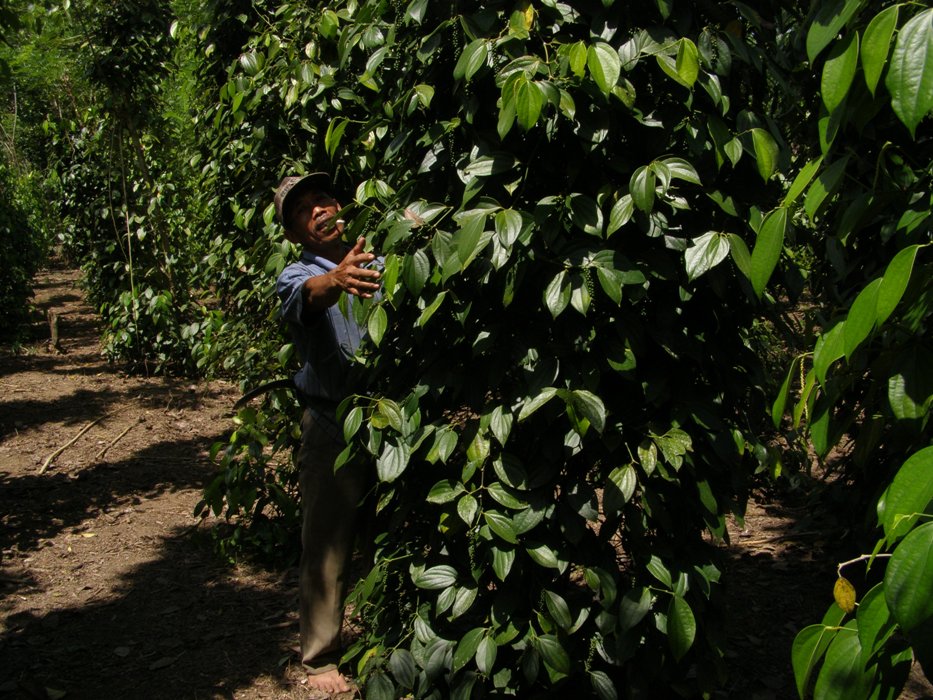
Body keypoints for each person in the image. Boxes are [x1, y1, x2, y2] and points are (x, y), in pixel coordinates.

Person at [273, 172, 381, 695]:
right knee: (327, 545)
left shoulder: (378, 256)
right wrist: (334, 280)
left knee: (387, 535)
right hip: (333, 424)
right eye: (302, 210)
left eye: (322, 198)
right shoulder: (298, 274)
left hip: (392, 424)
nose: (317, 209)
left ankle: (390, 632)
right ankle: (319, 659)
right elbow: (309, 298)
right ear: (294, 233)